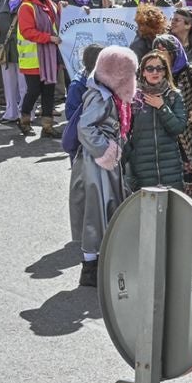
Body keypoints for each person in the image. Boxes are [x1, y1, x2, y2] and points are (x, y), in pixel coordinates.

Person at [71, 46, 137, 285]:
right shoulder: (100, 95)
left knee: (106, 209)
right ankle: (90, 267)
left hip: (104, 162)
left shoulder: (109, 93)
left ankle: (100, 262)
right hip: (96, 163)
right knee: (95, 211)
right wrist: (105, 150)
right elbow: (85, 127)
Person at [122, 51, 188, 192]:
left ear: (165, 72)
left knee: (172, 211)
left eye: (159, 68)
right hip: (142, 167)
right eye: (150, 68)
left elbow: (178, 128)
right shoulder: (133, 98)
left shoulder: (173, 96)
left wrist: (162, 107)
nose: (155, 72)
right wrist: (131, 157)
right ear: (143, 72)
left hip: (170, 168)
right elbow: (125, 132)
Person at [14, 0, 62, 138]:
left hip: (49, 58)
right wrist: (49, 38)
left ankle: (47, 127)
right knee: (33, 91)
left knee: (49, 92)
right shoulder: (26, 6)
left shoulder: (51, 5)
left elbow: (60, 24)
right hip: (33, 59)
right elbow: (28, 32)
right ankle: (24, 120)